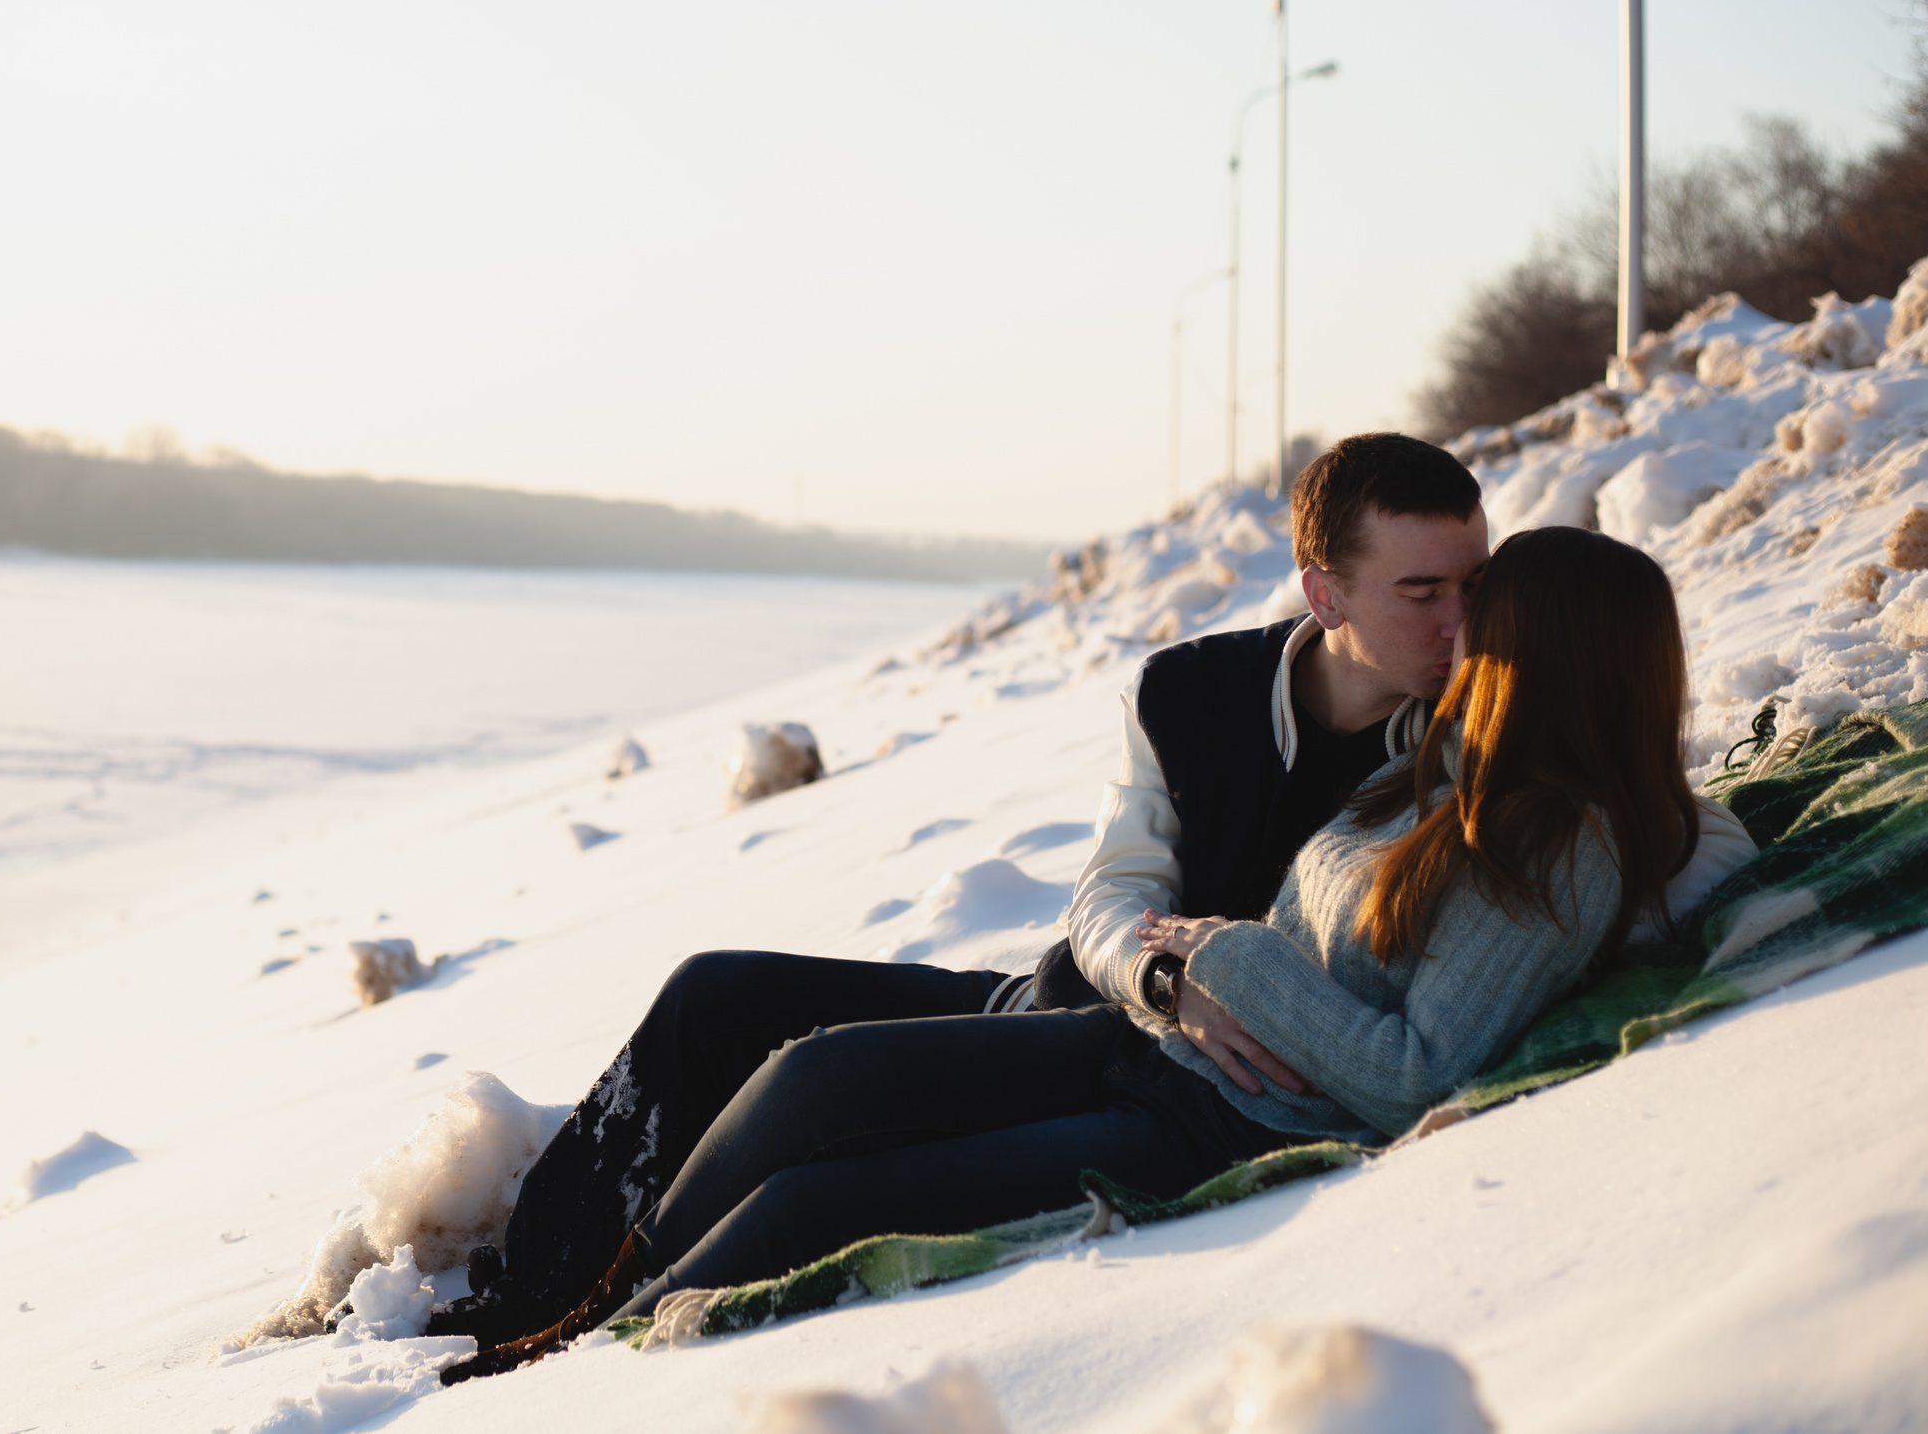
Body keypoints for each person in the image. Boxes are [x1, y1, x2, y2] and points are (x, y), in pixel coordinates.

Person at [425, 448, 1749, 1373]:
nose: (1457, 628)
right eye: (1430, 595)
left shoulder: (1529, 816)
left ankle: (589, 1368)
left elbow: (1624, 861)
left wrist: (1227, 956)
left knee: (810, 1191)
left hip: (1214, 1087)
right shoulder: (1277, 716)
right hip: (1114, 1009)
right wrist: (1166, 973)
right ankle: (561, 1306)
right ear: (1326, 592)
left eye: (1480, 604)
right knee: (776, 1050)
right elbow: (1119, 888)